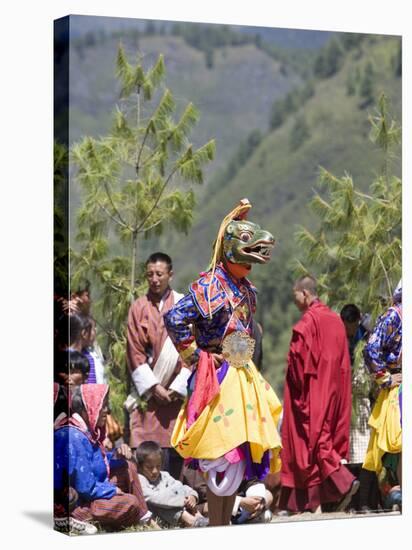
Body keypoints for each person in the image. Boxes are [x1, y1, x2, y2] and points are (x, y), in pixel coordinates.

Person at [164, 199, 282, 526]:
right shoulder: (209, 286)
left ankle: (224, 524)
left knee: (238, 459)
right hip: (216, 378)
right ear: (229, 248)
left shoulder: (246, 289)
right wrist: (197, 356)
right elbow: (174, 318)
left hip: (242, 376)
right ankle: (216, 526)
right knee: (221, 456)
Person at [279, 275, 358, 514]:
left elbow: (296, 367)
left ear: (304, 293)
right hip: (335, 395)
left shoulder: (307, 324)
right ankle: (319, 503)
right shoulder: (335, 321)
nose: (295, 301)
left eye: (295, 296)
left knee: (313, 444)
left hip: (312, 396)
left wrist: (298, 396)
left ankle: (344, 482)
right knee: (322, 441)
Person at [126, 252, 191, 480]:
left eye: (159, 274)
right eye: (150, 274)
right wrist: (155, 388)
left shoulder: (184, 305)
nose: (154, 279)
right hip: (148, 398)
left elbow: (191, 349)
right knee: (146, 453)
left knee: (176, 454)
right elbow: (134, 351)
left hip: (176, 395)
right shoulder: (138, 308)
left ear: (170, 275)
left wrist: (177, 387)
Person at [54, 384, 152, 532]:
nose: (107, 411)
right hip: (77, 500)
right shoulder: (74, 436)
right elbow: (85, 487)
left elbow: (96, 462)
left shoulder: (86, 431)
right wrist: (111, 490)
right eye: (102, 405)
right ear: (88, 408)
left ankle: (143, 517)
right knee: (131, 503)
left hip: (88, 491)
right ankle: (79, 517)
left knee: (127, 466)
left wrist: (116, 455)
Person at [362, 280, 402, 506]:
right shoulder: (394, 316)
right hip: (397, 391)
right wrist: (386, 378)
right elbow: (371, 349)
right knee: (388, 447)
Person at [340, 304, 378, 512]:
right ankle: (352, 503)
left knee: (364, 455)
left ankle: (364, 502)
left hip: (362, 401)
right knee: (349, 455)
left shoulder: (367, 336)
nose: (349, 331)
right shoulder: (339, 338)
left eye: (351, 327)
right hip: (346, 403)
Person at [136, 441, 209, 528]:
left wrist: (192, 496)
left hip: (180, 507)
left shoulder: (164, 475)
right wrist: (181, 499)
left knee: (201, 505)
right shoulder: (140, 479)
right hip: (160, 515)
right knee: (163, 506)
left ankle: (201, 520)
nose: (155, 471)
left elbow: (181, 486)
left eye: (158, 466)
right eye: (149, 467)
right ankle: (193, 522)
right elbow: (154, 498)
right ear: (140, 466)